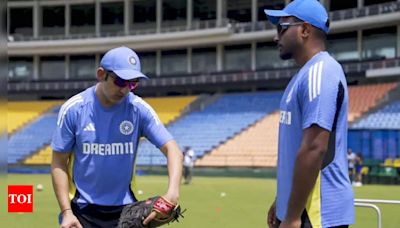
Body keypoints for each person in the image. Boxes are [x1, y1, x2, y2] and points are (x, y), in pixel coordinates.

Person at [51, 46, 183, 228]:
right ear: (100, 74)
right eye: (120, 81)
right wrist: (66, 212)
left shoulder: (139, 109)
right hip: (81, 211)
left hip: (127, 212)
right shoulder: (74, 109)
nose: (125, 89)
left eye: (133, 83)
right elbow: (58, 162)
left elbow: (172, 149)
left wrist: (172, 193)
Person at [264, 1, 354, 227]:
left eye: (282, 28)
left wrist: (293, 216)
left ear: (304, 30)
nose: (276, 37)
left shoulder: (321, 71)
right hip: (303, 210)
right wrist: (282, 203)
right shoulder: (304, 75)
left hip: (317, 214)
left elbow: (315, 147)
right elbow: (296, 146)